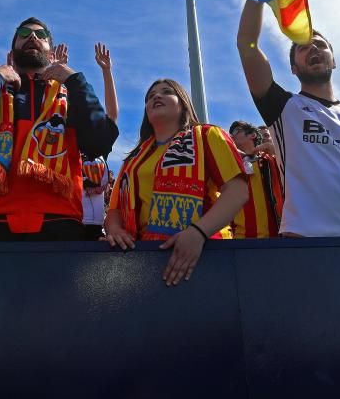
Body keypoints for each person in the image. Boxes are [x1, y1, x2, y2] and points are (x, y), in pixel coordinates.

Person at [0, 17, 118, 241]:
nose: (33, 37)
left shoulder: (70, 96)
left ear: (51, 52)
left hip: (59, 225)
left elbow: (100, 142)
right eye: (24, 34)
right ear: (11, 53)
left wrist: (76, 81)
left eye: (41, 35)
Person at [236, 0, 340, 237]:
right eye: (303, 47)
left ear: (334, 60)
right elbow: (246, 44)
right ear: (293, 68)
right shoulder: (284, 106)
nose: (313, 49)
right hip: (304, 238)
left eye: (320, 45)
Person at [102, 79, 249, 286]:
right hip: (144, 259)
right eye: (151, 96)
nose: (156, 96)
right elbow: (115, 209)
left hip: (205, 253)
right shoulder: (133, 160)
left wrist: (197, 233)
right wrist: (115, 231)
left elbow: (237, 191)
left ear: (183, 103)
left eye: (166, 92)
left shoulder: (208, 135)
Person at [227, 120, 283, 238]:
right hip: (238, 239)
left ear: (252, 135)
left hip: (274, 238)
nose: (232, 136)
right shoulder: (229, 164)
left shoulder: (269, 160)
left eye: (237, 131)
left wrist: (274, 150)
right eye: (231, 134)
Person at [80, 154, 110, 240]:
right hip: (80, 218)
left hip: (93, 220)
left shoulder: (99, 157)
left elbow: (103, 181)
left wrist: (97, 188)